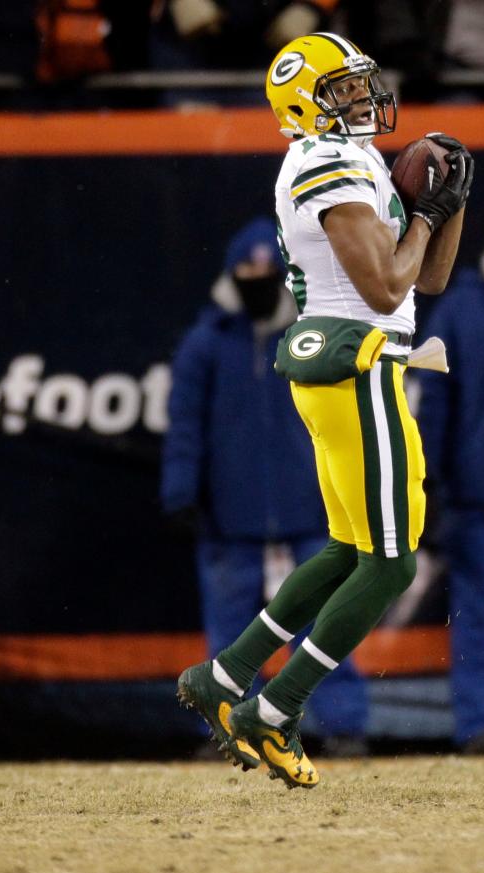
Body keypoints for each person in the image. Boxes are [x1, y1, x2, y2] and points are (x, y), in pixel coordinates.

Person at [177, 32, 473, 788]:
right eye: (342, 88)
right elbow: (384, 290)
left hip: (359, 359)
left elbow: (425, 281)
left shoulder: (352, 158)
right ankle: (275, 709)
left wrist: (450, 203)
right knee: (392, 561)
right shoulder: (325, 161)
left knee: (350, 548)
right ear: (306, 101)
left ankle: (226, 674)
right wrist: (427, 215)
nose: (361, 98)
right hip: (357, 358)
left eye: (359, 83)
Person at [163, 217, 368, 755]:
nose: (256, 278)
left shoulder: (310, 333)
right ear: (231, 275)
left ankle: (346, 726)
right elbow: (185, 423)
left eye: (265, 270)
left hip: (310, 505)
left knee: (325, 624)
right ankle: (222, 728)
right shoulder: (206, 342)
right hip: (230, 511)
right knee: (231, 634)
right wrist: (181, 491)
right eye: (245, 270)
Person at [417, 203, 484, 754]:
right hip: (476, 499)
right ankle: (480, 726)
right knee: (476, 618)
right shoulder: (462, 311)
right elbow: (433, 408)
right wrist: (427, 488)